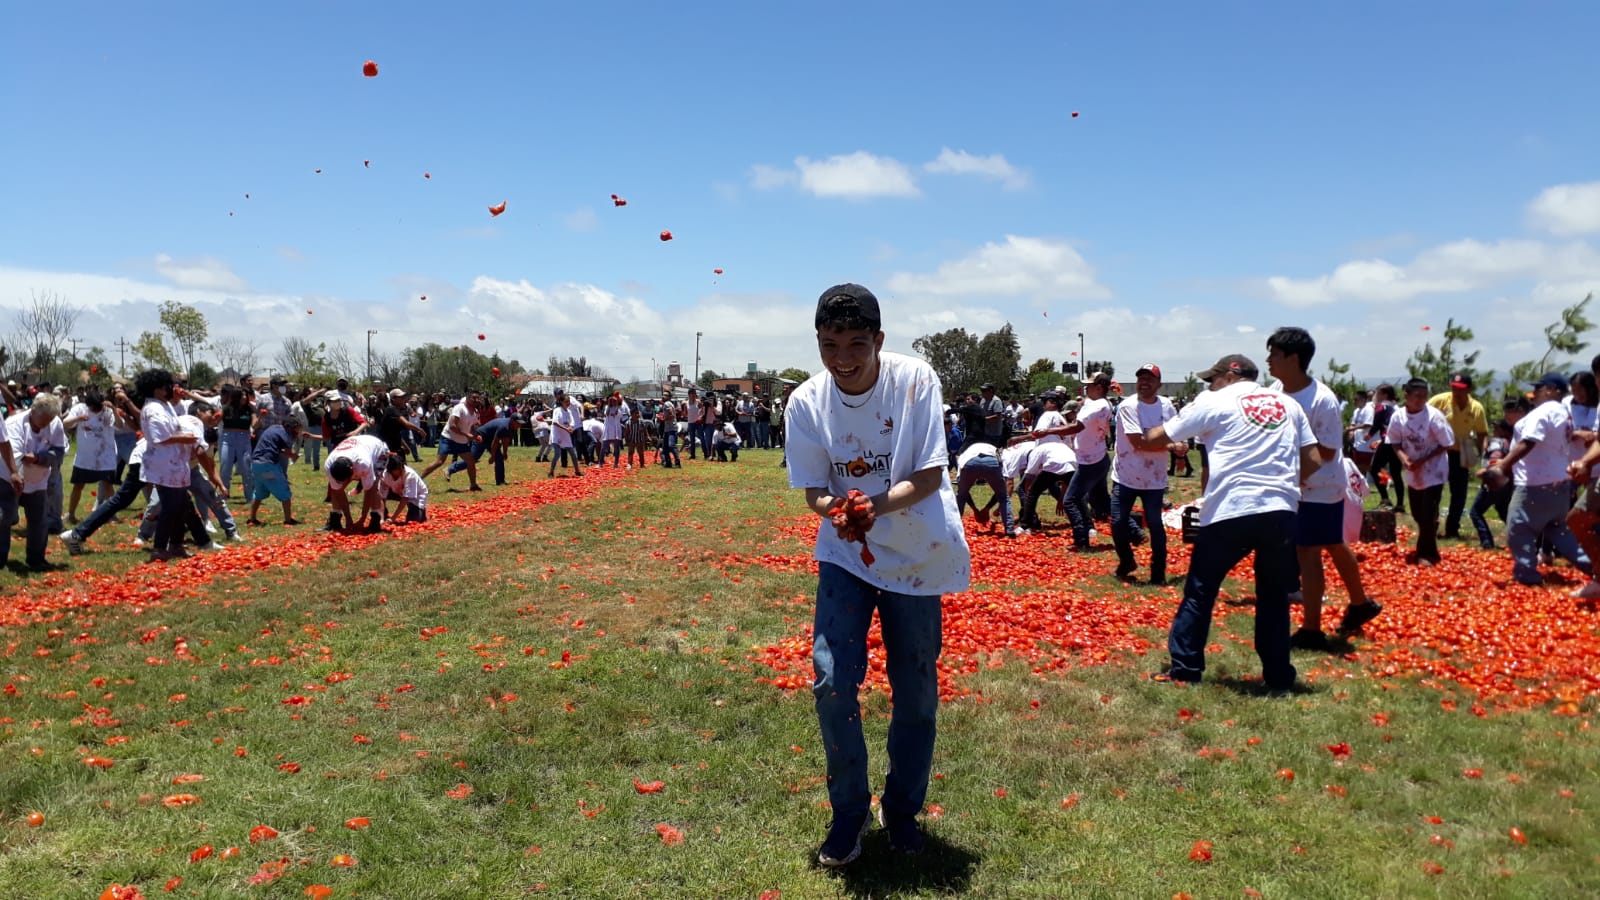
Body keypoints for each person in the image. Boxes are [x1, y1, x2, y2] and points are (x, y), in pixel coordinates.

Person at [784, 283, 970, 865]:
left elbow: (931, 476)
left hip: (915, 553)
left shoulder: (914, 381)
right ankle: (849, 813)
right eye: (830, 343)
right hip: (848, 554)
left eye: (856, 343)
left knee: (915, 692)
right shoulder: (805, 402)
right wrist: (836, 511)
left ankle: (903, 810)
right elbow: (815, 489)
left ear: (879, 341)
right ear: (817, 341)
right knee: (831, 678)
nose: (843, 357)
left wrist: (873, 505)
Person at [1145, 354, 1322, 690]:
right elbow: (1312, 458)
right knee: (1273, 595)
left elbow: (1159, 436)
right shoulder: (1287, 404)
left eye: (1212, 378)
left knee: (1201, 590)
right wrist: (1286, 485)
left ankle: (1185, 669)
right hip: (1280, 509)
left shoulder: (1215, 400)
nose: (1209, 385)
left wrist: (1147, 435)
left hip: (1232, 507)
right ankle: (1278, 677)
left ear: (1229, 375)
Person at [1264, 327, 1380, 646]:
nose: (1268, 360)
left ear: (1294, 358)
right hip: (1297, 484)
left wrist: (1291, 474)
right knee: (1331, 541)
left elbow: (1327, 451)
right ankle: (1360, 603)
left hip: (1318, 485)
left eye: (1274, 354)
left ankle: (1312, 630)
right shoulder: (1277, 390)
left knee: (1308, 551)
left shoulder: (1321, 399)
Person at [1490, 374, 1592, 587]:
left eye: (1540, 388)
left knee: (1519, 528)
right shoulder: (1564, 412)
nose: (1535, 393)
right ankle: (1592, 566)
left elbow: (1528, 442)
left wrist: (1503, 465)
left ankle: (1527, 575)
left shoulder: (1544, 411)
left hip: (1536, 484)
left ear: (1553, 390)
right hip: (1560, 483)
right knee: (1559, 530)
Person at [1111, 364, 1181, 585]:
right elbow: (1138, 442)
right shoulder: (1128, 406)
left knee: (1155, 524)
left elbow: (1178, 433)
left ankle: (1158, 573)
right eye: (1141, 378)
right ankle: (1127, 561)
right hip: (1126, 475)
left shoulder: (1167, 406)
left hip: (1154, 478)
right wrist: (1172, 447)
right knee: (1118, 521)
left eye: (1150, 379)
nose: (1144, 382)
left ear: (1158, 384)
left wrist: (1181, 448)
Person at [1389, 378, 1456, 566]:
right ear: (1406, 396)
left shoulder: (1434, 416)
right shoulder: (1398, 417)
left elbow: (1446, 443)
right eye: (1417, 396)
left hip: (1434, 470)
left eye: (1424, 396)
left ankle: (1424, 554)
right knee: (1418, 514)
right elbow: (1394, 442)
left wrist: (1423, 460)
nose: (1421, 400)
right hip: (1413, 471)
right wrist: (1404, 458)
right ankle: (1431, 545)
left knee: (1427, 513)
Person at [6, 393, 66, 570]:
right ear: (33, 411)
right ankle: (1, 559)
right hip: (13, 478)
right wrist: (17, 475)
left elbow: (59, 452)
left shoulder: (55, 424)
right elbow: (15, 456)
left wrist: (40, 457)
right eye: (44, 419)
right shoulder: (14, 424)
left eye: (51, 419)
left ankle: (36, 559)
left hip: (39, 479)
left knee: (39, 520)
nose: (47, 424)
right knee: (5, 518)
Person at [1427, 373, 1490, 539]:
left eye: (1460, 389)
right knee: (1434, 490)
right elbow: (1423, 417)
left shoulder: (1476, 408)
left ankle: (1452, 527)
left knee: (1459, 493)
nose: (1456, 391)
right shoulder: (1439, 401)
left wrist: (1482, 456)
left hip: (1461, 451)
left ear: (1469, 389)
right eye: (1454, 387)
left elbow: (1482, 433)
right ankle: (1430, 525)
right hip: (1438, 451)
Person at [1058, 372, 1114, 549]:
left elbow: (1077, 426)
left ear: (1099, 388)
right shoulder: (1099, 403)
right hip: (1097, 457)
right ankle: (1134, 532)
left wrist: (1048, 431)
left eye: (1089, 385)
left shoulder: (1097, 406)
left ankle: (1081, 540)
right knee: (1103, 502)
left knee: (1070, 500)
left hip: (1091, 462)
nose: (1085, 388)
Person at [62, 386, 119, 524]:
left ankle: (112, 515)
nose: (96, 411)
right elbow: (65, 423)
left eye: (98, 407)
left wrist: (115, 410)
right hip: (85, 457)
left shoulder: (108, 411)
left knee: (107, 485)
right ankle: (71, 514)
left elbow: (120, 424)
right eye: (93, 408)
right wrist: (78, 418)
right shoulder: (80, 408)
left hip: (105, 456)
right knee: (78, 485)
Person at [324, 434, 391, 532]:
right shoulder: (329, 465)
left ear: (352, 470)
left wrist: (362, 519)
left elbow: (369, 491)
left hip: (378, 451)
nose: (344, 483)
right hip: (357, 447)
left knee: (374, 484)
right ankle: (335, 519)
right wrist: (348, 518)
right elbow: (338, 491)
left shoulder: (363, 463)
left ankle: (375, 519)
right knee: (336, 489)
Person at [1470, 415, 1518, 550]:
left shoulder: (1498, 443)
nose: (1493, 429)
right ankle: (1521, 539)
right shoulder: (1512, 442)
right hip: (1508, 483)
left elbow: (1494, 462)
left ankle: (1486, 542)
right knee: (1504, 513)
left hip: (1494, 483)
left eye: (1496, 427)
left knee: (1476, 511)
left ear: (1503, 430)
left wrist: (1484, 472)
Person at [419, 391, 483, 490]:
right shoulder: (460, 408)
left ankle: (473, 485)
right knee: (439, 461)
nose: (476, 400)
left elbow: (472, 427)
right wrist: (467, 434)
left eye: (478, 398)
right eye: (474, 398)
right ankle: (418, 480)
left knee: (471, 461)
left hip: (461, 441)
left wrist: (475, 435)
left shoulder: (474, 412)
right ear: (467, 398)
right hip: (448, 438)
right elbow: (453, 426)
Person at [246, 420, 302, 527]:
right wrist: (295, 456)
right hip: (268, 467)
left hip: (256, 466)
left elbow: (277, 448)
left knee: (258, 493)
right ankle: (288, 520)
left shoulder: (273, 428)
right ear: (291, 427)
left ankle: (252, 519)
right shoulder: (286, 435)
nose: (298, 431)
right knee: (285, 492)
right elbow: (289, 452)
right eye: (297, 428)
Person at [955, 440, 1016, 536]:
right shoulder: (997, 451)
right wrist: (987, 508)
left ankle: (954, 529)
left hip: (970, 463)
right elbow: (1001, 489)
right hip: (992, 462)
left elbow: (963, 491)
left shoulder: (964, 454)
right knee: (1003, 497)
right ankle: (1010, 531)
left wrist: (975, 508)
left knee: (961, 496)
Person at [379, 454, 430, 523]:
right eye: (398, 469)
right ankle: (383, 515)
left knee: (412, 521)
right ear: (390, 470)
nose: (401, 470)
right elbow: (381, 497)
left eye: (401, 467)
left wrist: (393, 518)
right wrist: (381, 518)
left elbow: (406, 498)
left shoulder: (410, 475)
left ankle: (420, 510)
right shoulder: (385, 475)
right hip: (397, 491)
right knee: (376, 496)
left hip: (417, 495)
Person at [546, 388, 584, 477]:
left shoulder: (569, 411)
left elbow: (572, 422)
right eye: (566, 402)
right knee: (557, 454)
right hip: (557, 435)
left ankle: (577, 471)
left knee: (573, 454)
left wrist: (571, 427)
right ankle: (551, 472)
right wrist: (566, 429)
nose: (568, 403)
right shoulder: (557, 410)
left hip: (566, 436)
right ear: (562, 402)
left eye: (569, 401)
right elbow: (555, 422)